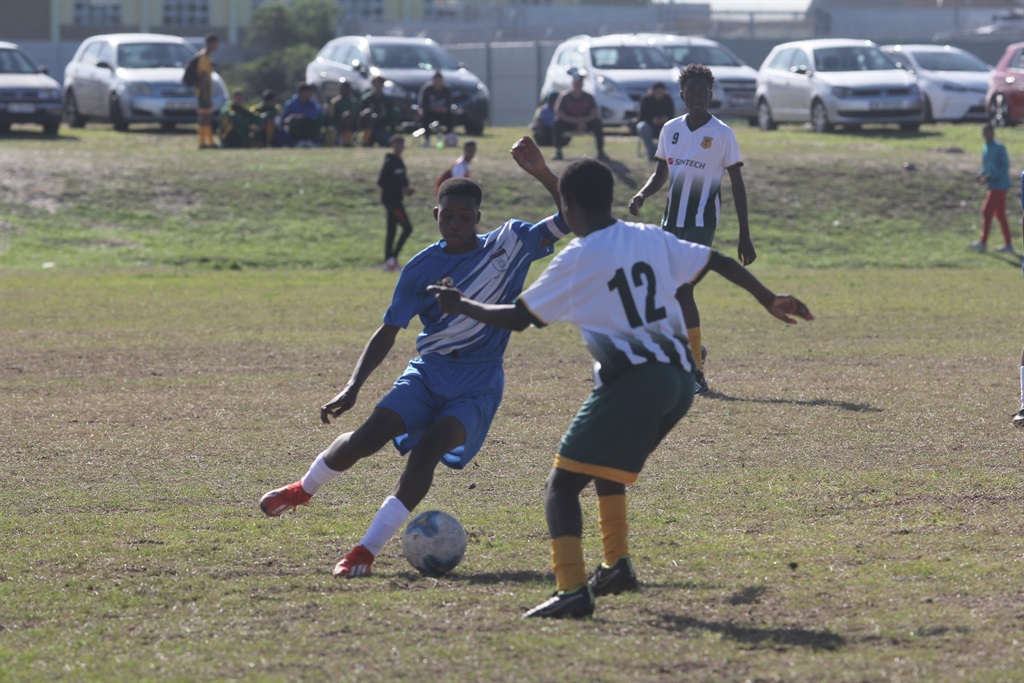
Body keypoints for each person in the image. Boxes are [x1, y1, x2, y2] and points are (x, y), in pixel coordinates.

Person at [427, 158, 813, 619]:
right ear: (609, 198)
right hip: (681, 381)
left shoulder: (577, 257)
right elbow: (716, 260)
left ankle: (572, 589)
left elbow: (519, 317)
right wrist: (767, 297)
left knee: (561, 485)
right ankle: (616, 566)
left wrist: (460, 304)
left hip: (636, 379)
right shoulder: (646, 235)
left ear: (567, 206)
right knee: (606, 471)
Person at [258, 137, 570, 581]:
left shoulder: (511, 242)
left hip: (477, 384)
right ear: (436, 215)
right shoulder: (420, 268)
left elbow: (570, 218)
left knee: (424, 454)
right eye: (450, 216)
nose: (458, 223)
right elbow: (389, 329)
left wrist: (541, 172)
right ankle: (302, 489)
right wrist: (353, 385)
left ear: (479, 219)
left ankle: (365, 550)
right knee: (368, 437)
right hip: (427, 376)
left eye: (467, 216)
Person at [628, 63, 756, 395]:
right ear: (681, 94)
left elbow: (737, 184)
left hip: (701, 223)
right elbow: (661, 175)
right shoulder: (670, 129)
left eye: (703, 92)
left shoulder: (723, 133)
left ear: (711, 95)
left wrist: (745, 233)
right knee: (664, 291)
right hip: (670, 222)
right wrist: (642, 194)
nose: (697, 97)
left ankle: (696, 371)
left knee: (682, 290)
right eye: (691, 92)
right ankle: (692, 352)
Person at [968, 124, 1014, 254]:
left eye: (989, 133)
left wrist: (990, 177)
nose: (987, 135)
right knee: (1000, 215)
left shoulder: (999, 147)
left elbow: (1004, 166)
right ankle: (1008, 244)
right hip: (992, 185)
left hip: (1000, 185)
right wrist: (981, 174)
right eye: (985, 133)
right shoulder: (985, 148)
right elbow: (987, 166)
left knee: (987, 211)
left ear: (993, 134)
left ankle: (983, 242)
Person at [377, 134, 415, 272]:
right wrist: (400, 189)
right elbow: (381, 182)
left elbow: (403, 181)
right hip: (391, 201)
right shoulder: (390, 161)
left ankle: (389, 262)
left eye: (401, 144)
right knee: (407, 228)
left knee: (392, 231)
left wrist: (407, 190)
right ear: (392, 146)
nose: (400, 147)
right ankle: (392, 257)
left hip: (398, 199)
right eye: (397, 144)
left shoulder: (400, 162)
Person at [552, 70, 606, 162]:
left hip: (586, 122)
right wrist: (576, 121)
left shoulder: (589, 97)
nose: (578, 85)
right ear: (573, 83)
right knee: (557, 123)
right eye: (577, 83)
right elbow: (559, 112)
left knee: (597, 123)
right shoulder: (564, 96)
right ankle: (558, 152)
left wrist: (584, 120)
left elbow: (594, 113)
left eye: (580, 83)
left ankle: (601, 152)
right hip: (569, 122)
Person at [636, 82, 674, 161]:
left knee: (673, 128)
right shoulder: (646, 99)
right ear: (653, 91)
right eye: (658, 92)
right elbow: (641, 116)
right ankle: (652, 153)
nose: (660, 94)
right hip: (650, 126)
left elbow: (671, 115)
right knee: (642, 126)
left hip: (664, 127)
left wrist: (665, 119)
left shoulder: (668, 100)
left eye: (661, 92)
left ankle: (666, 153)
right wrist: (652, 120)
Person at [192, 33, 218, 150]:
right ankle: (204, 142)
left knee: (205, 117)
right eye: (215, 43)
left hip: (204, 92)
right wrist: (206, 95)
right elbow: (203, 77)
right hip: (203, 92)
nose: (217, 46)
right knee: (204, 118)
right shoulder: (204, 57)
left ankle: (207, 141)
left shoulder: (206, 56)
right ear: (210, 43)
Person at [360, 76, 400, 148]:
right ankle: (366, 140)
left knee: (387, 142)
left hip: (381, 126)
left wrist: (385, 113)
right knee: (368, 113)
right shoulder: (367, 99)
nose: (378, 86)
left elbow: (391, 112)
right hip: (368, 126)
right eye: (376, 84)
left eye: (380, 84)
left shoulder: (386, 100)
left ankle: (391, 135)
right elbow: (361, 113)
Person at [417, 70, 453, 147]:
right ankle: (427, 139)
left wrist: (444, 108)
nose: (438, 83)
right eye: (436, 81)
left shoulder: (446, 90)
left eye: (440, 81)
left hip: (442, 113)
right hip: (430, 112)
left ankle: (449, 138)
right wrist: (433, 108)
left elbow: (449, 104)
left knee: (451, 117)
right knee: (424, 117)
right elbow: (423, 104)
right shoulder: (427, 89)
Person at [281, 82, 324, 148]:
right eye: (308, 92)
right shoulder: (291, 104)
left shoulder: (312, 103)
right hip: (296, 129)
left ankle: (310, 141)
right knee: (293, 120)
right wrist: (294, 117)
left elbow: (319, 112)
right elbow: (285, 118)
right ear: (301, 92)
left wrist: (303, 115)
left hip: (309, 127)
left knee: (320, 118)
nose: (310, 94)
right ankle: (298, 142)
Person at [327, 80, 360, 147]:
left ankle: (363, 141)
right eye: (343, 88)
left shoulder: (354, 102)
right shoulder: (335, 102)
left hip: (353, 125)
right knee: (347, 115)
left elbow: (358, 115)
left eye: (346, 88)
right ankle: (346, 141)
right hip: (339, 125)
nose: (344, 90)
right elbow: (331, 116)